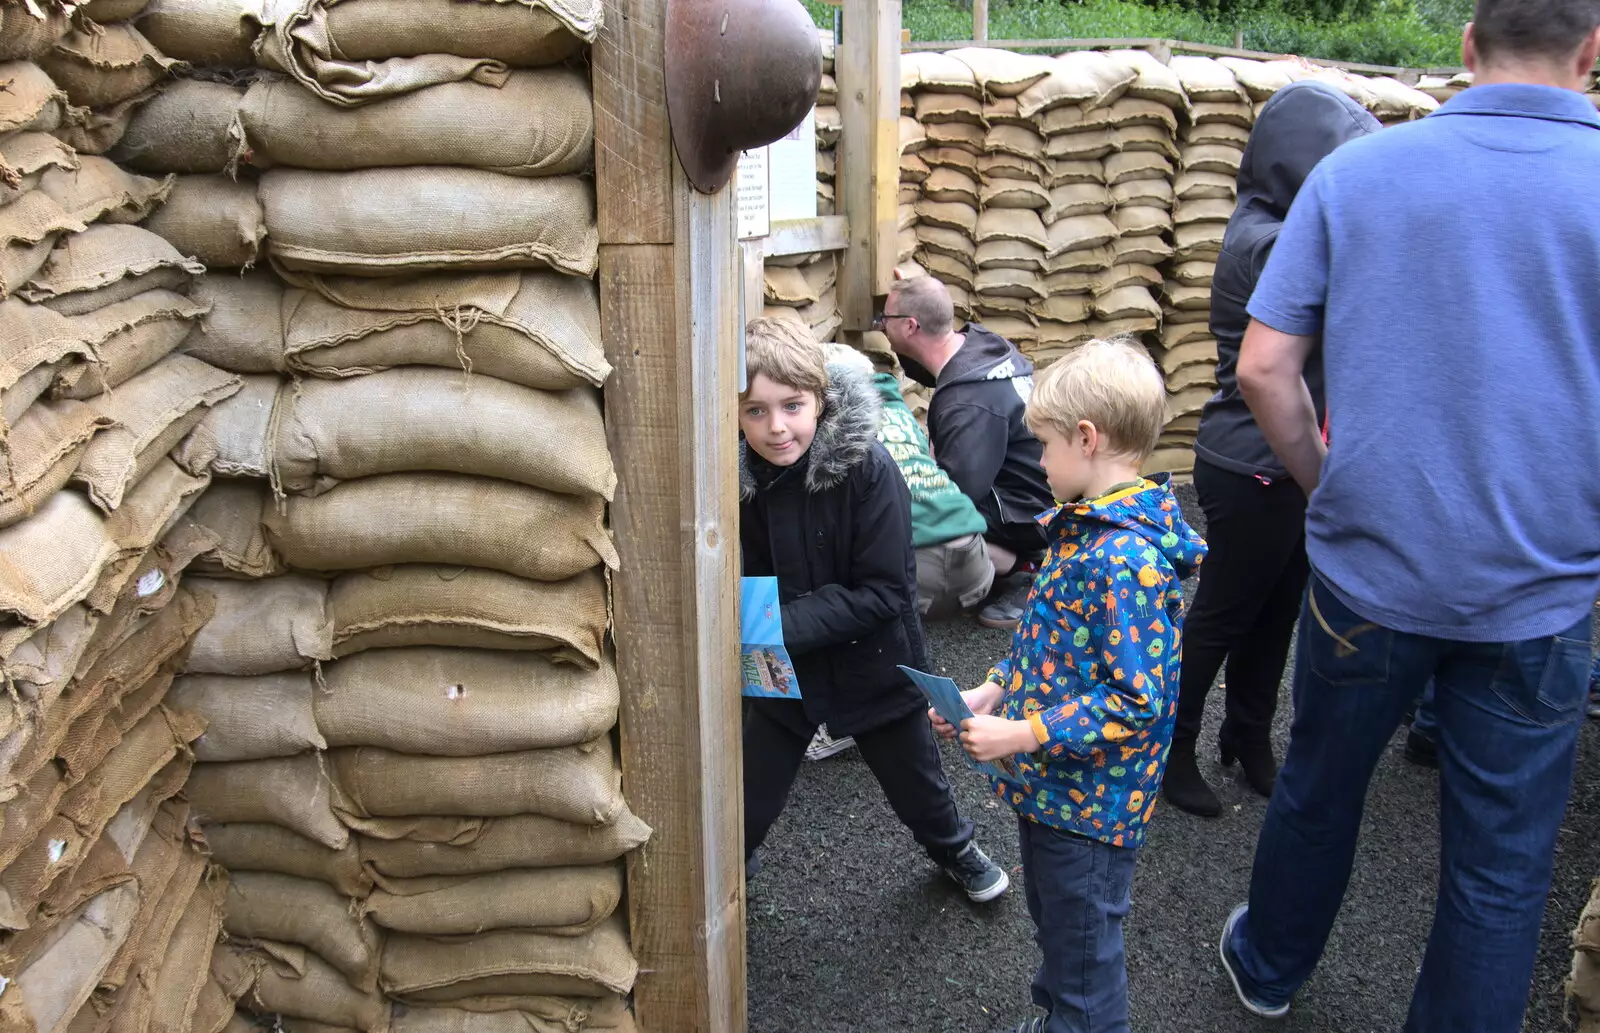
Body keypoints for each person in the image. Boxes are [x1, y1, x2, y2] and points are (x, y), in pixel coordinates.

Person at [1218, 4, 1600, 1030]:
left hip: (1368, 573)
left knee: (1318, 785)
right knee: (1501, 863)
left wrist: (1321, 482)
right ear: (1592, 51)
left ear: (1466, 46)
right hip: (1543, 592)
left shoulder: (1358, 172)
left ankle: (1267, 967)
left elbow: (1263, 368)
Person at [931, 338, 1206, 1033]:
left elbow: (1135, 699)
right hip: (1059, 792)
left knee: (1085, 956)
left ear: (1087, 439)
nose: (1040, 461)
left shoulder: (1122, 558)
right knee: (1060, 926)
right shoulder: (1085, 530)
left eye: (1044, 446)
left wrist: (1022, 732)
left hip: (1090, 807)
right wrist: (995, 687)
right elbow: (1056, 643)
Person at [1161, 82, 1381, 818]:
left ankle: (1247, 735)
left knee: (1279, 607)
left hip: (1290, 461)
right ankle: (1173, 746)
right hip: (1250, 463)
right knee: (1223, 612)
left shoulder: (1281, 224)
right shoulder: (1263, 240)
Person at [737, 317, 1009, 902]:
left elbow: (886, 593)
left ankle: (954, 847)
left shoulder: (868, 469)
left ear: (820, 399)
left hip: (874, 661)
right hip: (788, 669)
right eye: (755, 411)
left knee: (915, 781)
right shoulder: (742, 480)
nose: (776, 427)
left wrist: (771, 626)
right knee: (751, 787)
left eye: (791, 405)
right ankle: (737, 848)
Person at [802, 345, 1002, 763]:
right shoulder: (898, 410)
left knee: (839, 578)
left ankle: (850, 720)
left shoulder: (843, 431)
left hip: (919, 578)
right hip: (977, 565)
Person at [876, 275, 1056, 631]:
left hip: (1028, 514)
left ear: (910, 326)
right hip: (1038, 491)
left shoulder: (967, 402)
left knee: (927, 517)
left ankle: (1028, 568)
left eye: (885, 319)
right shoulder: (980, 347)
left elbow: (956, 495)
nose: (880, 326)